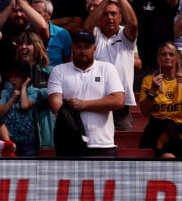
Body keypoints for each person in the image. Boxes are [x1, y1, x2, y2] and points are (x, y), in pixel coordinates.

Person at [47, 28, 125, 157]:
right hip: (70, 144)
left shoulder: (107, 68)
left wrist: (83, 104)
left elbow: (118, 101)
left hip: (102, 144)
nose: (82, 51)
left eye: (87, 47)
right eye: (78, 46)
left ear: (94, 48)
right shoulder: (58, 70)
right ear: (72, 48)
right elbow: (56, 105)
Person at [139, 42, 182, 152]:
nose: (167, 57)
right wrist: (153, 90)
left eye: (171, 54)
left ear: (177, 58)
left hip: (181, 128)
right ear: (159, 59)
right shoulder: (149, 80)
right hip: (156, 128)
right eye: (164, 54)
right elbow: (144, 111)